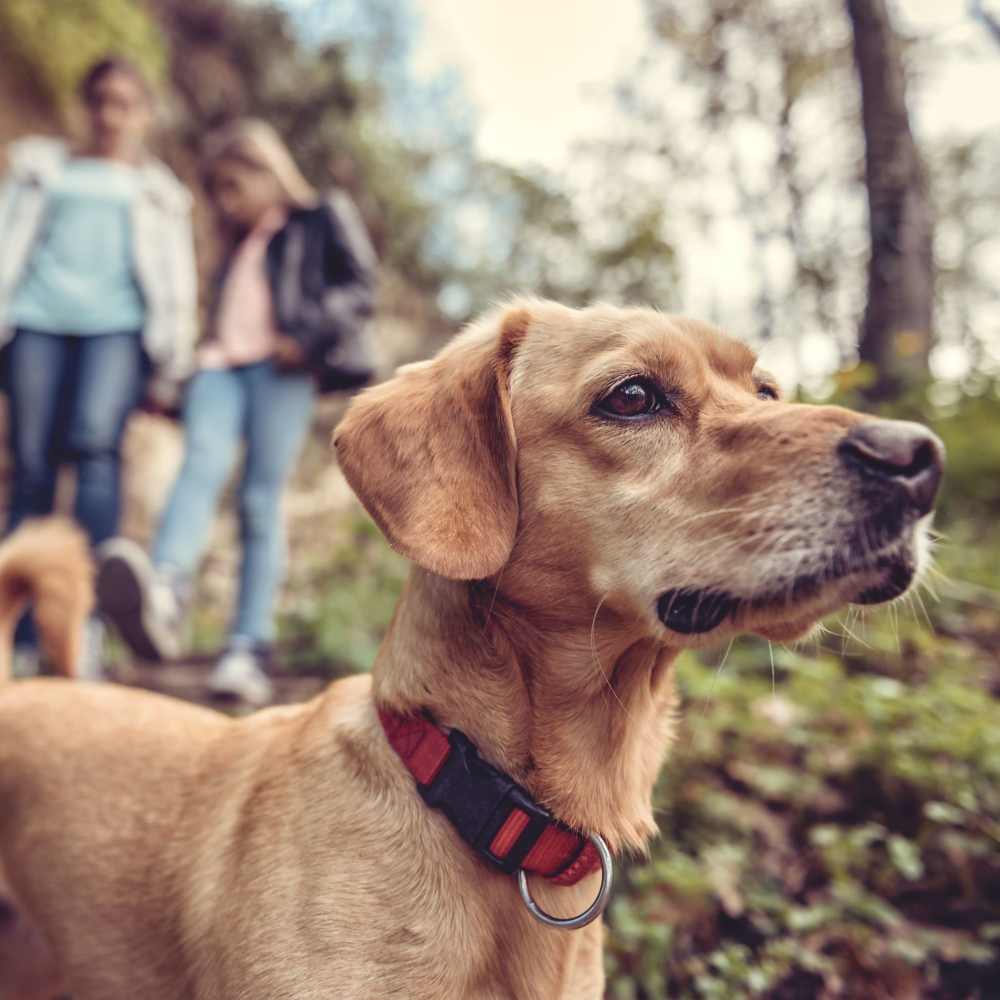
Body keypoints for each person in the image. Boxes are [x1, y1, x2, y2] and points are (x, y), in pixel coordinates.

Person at [98, 118, 377, 705]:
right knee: (199, 463)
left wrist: (305, 337)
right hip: (222, 368)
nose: (226, 202)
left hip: (283, 370)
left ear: (266, 170)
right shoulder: (235, 246)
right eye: (217, 190)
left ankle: (247, 647)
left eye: (232, 186)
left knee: (258, 500)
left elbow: (359, 287)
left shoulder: (319, 216)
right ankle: (166, 593)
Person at [0, 56, 197, 678]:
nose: (112, 115)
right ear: (86, 107)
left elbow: (176, 282)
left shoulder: (160, 194)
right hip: (34, 321)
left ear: (144, 113)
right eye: (102, 101)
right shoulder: (40, 170)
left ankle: (80, 626)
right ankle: (21, 630)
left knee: (95, 452)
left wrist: (174, 359)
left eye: (126, 103)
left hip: (117, 330)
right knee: (31, 464)